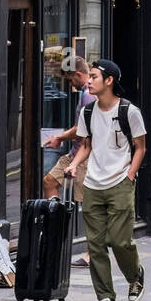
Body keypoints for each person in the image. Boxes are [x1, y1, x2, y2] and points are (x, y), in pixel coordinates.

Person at [65, 59, 147, 301]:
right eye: (88, 76)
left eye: (94, 77)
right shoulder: (87, 112)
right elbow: (86, 146)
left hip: (120, 183)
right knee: (96, 244)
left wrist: (130, 175)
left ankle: (135, 276)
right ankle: (105, 295)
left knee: (120, 241)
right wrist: (73, 165)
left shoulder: (129, 112)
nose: (89, 81)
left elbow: (140, 147)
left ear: (109, 80)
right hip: (92, 184)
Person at [43, 55, 91, 199]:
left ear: (79, 74)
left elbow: (81, 130)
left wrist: (59, 138)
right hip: (75, 153)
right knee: (49, 182)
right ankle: (56, 213)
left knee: (82, 201)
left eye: (70, 80)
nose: (70, 85)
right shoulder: (85, 93)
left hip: (83, 156)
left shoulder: (89, 96)